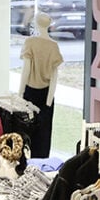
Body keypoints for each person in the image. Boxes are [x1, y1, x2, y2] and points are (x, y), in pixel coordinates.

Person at [20, 14, 63, 158]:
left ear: (37, 24)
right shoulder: (53, 46)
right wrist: (49, 100)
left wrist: (20, 93)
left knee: (26, 133)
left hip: (30, 93)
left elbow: (26, 70)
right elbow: (54, 75)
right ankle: (41, 165)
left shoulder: (30, 43)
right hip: (46, 94)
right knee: (44, 135)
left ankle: (27, 166)